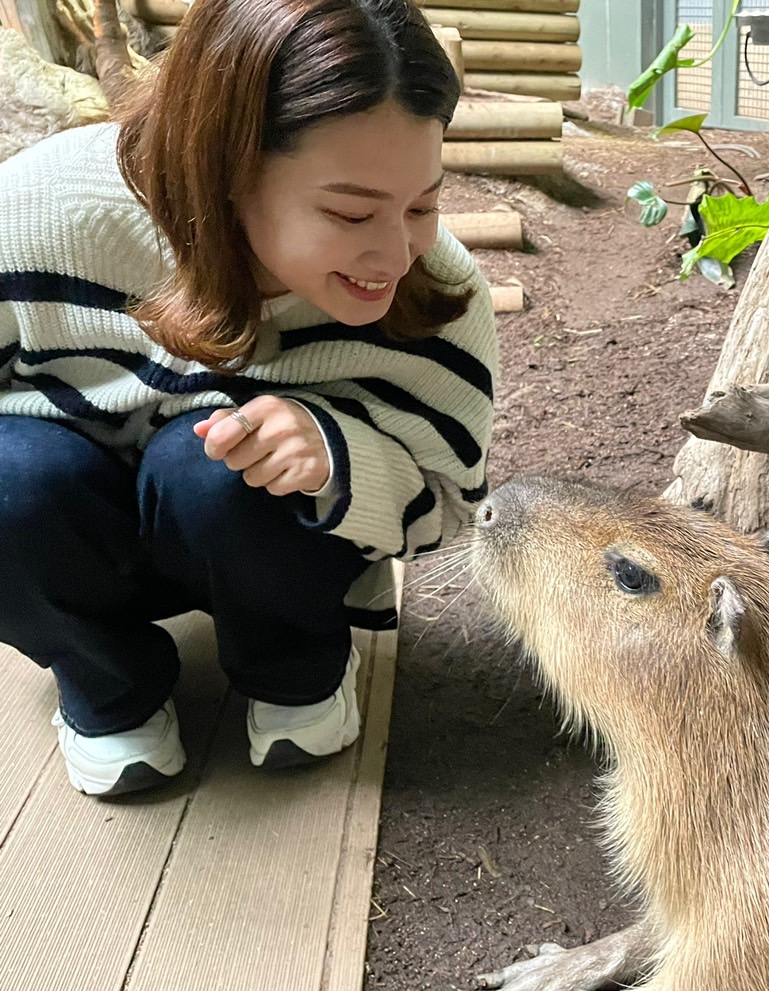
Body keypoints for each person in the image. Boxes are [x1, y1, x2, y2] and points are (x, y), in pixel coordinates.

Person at [0, 0, 498, 796]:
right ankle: (106, 682)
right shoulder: (31, 212)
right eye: (350, 211)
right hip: (72, 535)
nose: (396, 251)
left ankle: (296, 668)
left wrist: (337, 458)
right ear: (224, 172)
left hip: (258, 542)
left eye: (423, 203)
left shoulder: (439, 286)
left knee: (214, 470)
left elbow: (454, 500)